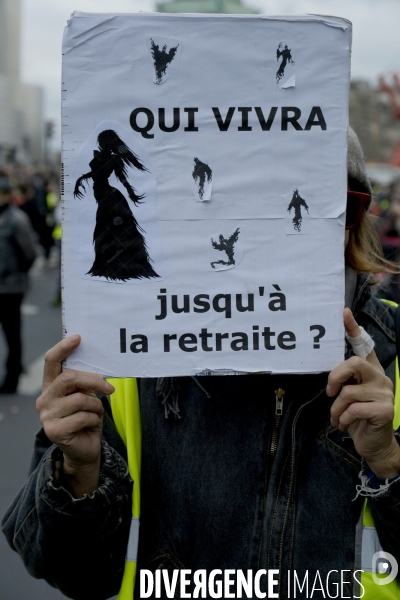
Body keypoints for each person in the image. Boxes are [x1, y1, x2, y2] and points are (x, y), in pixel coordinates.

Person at [2, 130, 400, 599]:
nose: (279, 224)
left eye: (324, 203)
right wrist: (78, 473)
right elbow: (73, 573)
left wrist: (389, 463)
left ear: (356, 220)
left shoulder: (392, 348)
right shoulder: (132, 354)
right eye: (241, 201)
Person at [73, 129, 159, 281]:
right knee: (105, 230)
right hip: (104, 194)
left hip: (109, 196)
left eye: (101, 140)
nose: (99, 143)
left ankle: (114, 265)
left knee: (107, 230)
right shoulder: (102, 156)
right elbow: (96, 173)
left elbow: (121, 178)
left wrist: (131, 193)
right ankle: (108, 264)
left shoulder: (113, 159)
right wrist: (81, 180)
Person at [0, 177, 37, 394]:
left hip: (10, 288)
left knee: (12, 333)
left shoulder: (16, 219)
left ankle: (12, 377)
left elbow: (29, 254)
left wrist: (14, 274)